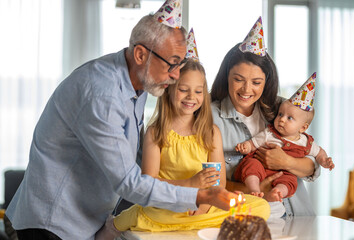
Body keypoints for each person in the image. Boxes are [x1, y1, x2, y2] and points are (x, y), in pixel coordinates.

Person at [5, 2, 238, 239]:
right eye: (172, 63)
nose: (175, 75)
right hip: (53, 222)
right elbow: (128, 181)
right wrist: (197, 194)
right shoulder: (103, 96)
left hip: (84, 220)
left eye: (179, 64)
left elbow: (128, 155)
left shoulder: (138, 80)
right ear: (140, 54)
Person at [95, 28, 271, 239]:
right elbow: (148, 183)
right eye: (183, 89)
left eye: (198, 91)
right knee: (139, 213)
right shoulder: (156, 132)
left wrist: (204, 203)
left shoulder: (211, 132)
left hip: (204, 206)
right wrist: (190, 187)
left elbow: (218, 183)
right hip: (167, 206)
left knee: (261, 207)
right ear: (169, 88)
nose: (191, 97)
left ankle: (193, 222)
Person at [210, 17, 320, 216]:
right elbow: (209, 183)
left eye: (256, 82)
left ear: (266, 81)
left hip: (296, 216)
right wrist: (257, 189)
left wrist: (285, 162)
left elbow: (312, 165)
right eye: (238, 79)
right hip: (245, 218)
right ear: (226, 76)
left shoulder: (281, 110)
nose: (246, 89)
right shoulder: (211, 117)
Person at [234, 74, 334, 202]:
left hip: (284, 173)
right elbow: (253, 143)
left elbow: (319, 152)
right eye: (280, 114)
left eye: (289, 118)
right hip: (261, 167)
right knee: (251, 165)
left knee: (290, 181)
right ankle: (255, 189)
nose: (281, 119)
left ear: (303, 128)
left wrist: (324, 160)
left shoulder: (306, 142)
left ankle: (278, 192)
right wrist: (245, 147)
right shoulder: (270, 133)